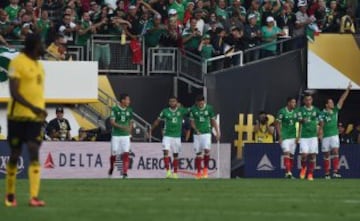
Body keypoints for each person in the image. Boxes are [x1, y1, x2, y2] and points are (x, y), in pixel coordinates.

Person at [5, 33, 47, 207]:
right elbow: (14, 92)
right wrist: (33, 107)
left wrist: (40, 110)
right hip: (17, 117)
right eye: (41, 44)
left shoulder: (39, 66)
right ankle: (10, 194)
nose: (43, 47)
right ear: (34, 46)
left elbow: (37, 93)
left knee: (34, 150)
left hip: (35, 119)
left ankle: (34, 197)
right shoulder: (17, 62)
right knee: (15, 154)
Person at [150, 96, 188, 179]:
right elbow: (157, 121)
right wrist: (151, 130)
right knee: (165, 152)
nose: (172, 103)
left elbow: (189, 110)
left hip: (177, 137)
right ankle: (168, 172)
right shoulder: (165, 111)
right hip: (167, 136)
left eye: (173, 101)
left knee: (175, 155)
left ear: (177, 102)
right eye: (170, 101)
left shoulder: (181, 110)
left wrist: (181, 107)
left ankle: (175, 173)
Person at [321, 83, 351, 179]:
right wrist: (320, 134)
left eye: (332, 102)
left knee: (335, 151)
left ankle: (336, 171)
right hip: (326, 136)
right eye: (330, 103)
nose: (332, 104)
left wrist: (348, 89)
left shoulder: (335, 111)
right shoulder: (322, 113)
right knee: (326, 154)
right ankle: (326, 173)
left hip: (334, 135)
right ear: (326, 105)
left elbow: (342, 99)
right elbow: (321, 125)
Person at [189, 95, 220, 179]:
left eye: (202, 102)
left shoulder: (209, 108)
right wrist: (196, 129)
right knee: (198, 153)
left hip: (206, 133)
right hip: (197, 134)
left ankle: (205, 170)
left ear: (204, 101)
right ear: (196, 103)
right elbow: (192, 122)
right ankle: (199, 172)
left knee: (207, 150)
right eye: (199, 103)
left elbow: (213, 121)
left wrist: (217, 132)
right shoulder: (193, 109)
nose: (200, 104)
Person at [297, 93, 323, 181]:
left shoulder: (316, 110)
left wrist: (320, 132)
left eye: (310, 100)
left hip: (313, 136)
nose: (308, 101)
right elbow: (300, 120)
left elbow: (321, 122)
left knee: (312, 156)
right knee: (304, 155)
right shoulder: (301, 110)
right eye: (306, 100)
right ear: (304, 101)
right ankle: (304, 168)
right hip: (304, 136)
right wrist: (303, 120)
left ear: (312, 100)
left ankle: (310, 173)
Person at [108, 93, 133, 179]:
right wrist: (121, 126)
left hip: (125, 136)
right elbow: (112, 122)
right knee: (114, 153)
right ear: (122, 100)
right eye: (127, 100)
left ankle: (125, 173)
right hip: (116, 135)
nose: (129, 101)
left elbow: (131, 121)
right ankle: (111, 168)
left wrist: (130, 130)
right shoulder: (115, 109)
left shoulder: (129, 110)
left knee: (126, 153)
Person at [275, 97, 298, 179]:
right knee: (286, 153)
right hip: (285, 137)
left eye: (295, 102)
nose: (294, 104)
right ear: (288, 103)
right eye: (293, 102)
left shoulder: (296, 112)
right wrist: (280, 136)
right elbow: (277, 123)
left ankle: (288, 172)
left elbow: (299, 123)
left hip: (293, 137)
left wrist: (298, 136)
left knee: (291, 155)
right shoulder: (282, 111)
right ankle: (288, 172)